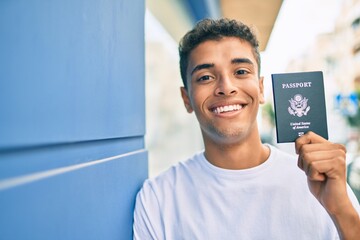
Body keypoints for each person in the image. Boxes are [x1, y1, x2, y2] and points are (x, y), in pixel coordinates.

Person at [133, 18, 360, 239]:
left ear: (260, 89)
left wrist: (341, 211)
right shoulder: (158, 199)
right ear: (186, 99)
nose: (226, 87)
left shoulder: (324, 183)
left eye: (240, 72)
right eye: (205, 77)